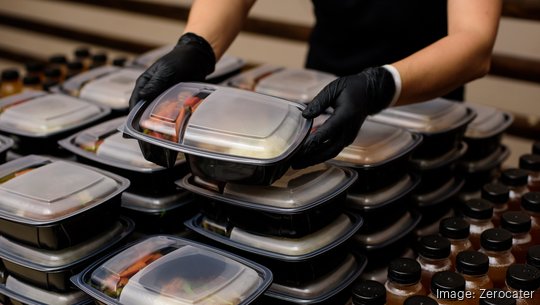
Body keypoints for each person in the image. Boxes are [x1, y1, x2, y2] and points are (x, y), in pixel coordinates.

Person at [129, 0, 502, 169]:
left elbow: (474, 43)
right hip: (321, 98)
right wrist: (197, 46)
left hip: (422, 104)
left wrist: (379, 85)